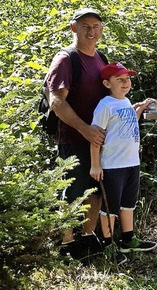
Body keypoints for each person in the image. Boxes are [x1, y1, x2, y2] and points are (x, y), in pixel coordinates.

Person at [47, 8, 109, 261]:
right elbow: (56, 102)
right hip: (73, 139)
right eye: (85, 26)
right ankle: (66, 243)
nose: (91, 31)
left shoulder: (101, 58)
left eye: (96, 26)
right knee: (72, 192)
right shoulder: (66, 59)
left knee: (94, 190)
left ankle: (87, 236)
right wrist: (85, 128)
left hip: (99, 140)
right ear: (74, 28)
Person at [89, 62, 157, 256]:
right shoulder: (105, 105)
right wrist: (95, 164)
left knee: (128, 204)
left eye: (127, 79)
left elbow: (129, 122)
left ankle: (129, 239)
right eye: (119, 79)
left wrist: (142, 107)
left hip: (131, 163)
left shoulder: (126, 102)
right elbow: (95, 137)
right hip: (112, 166)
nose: (125, 82)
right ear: (107, 83)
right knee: (110, 207)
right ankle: (108, 245)